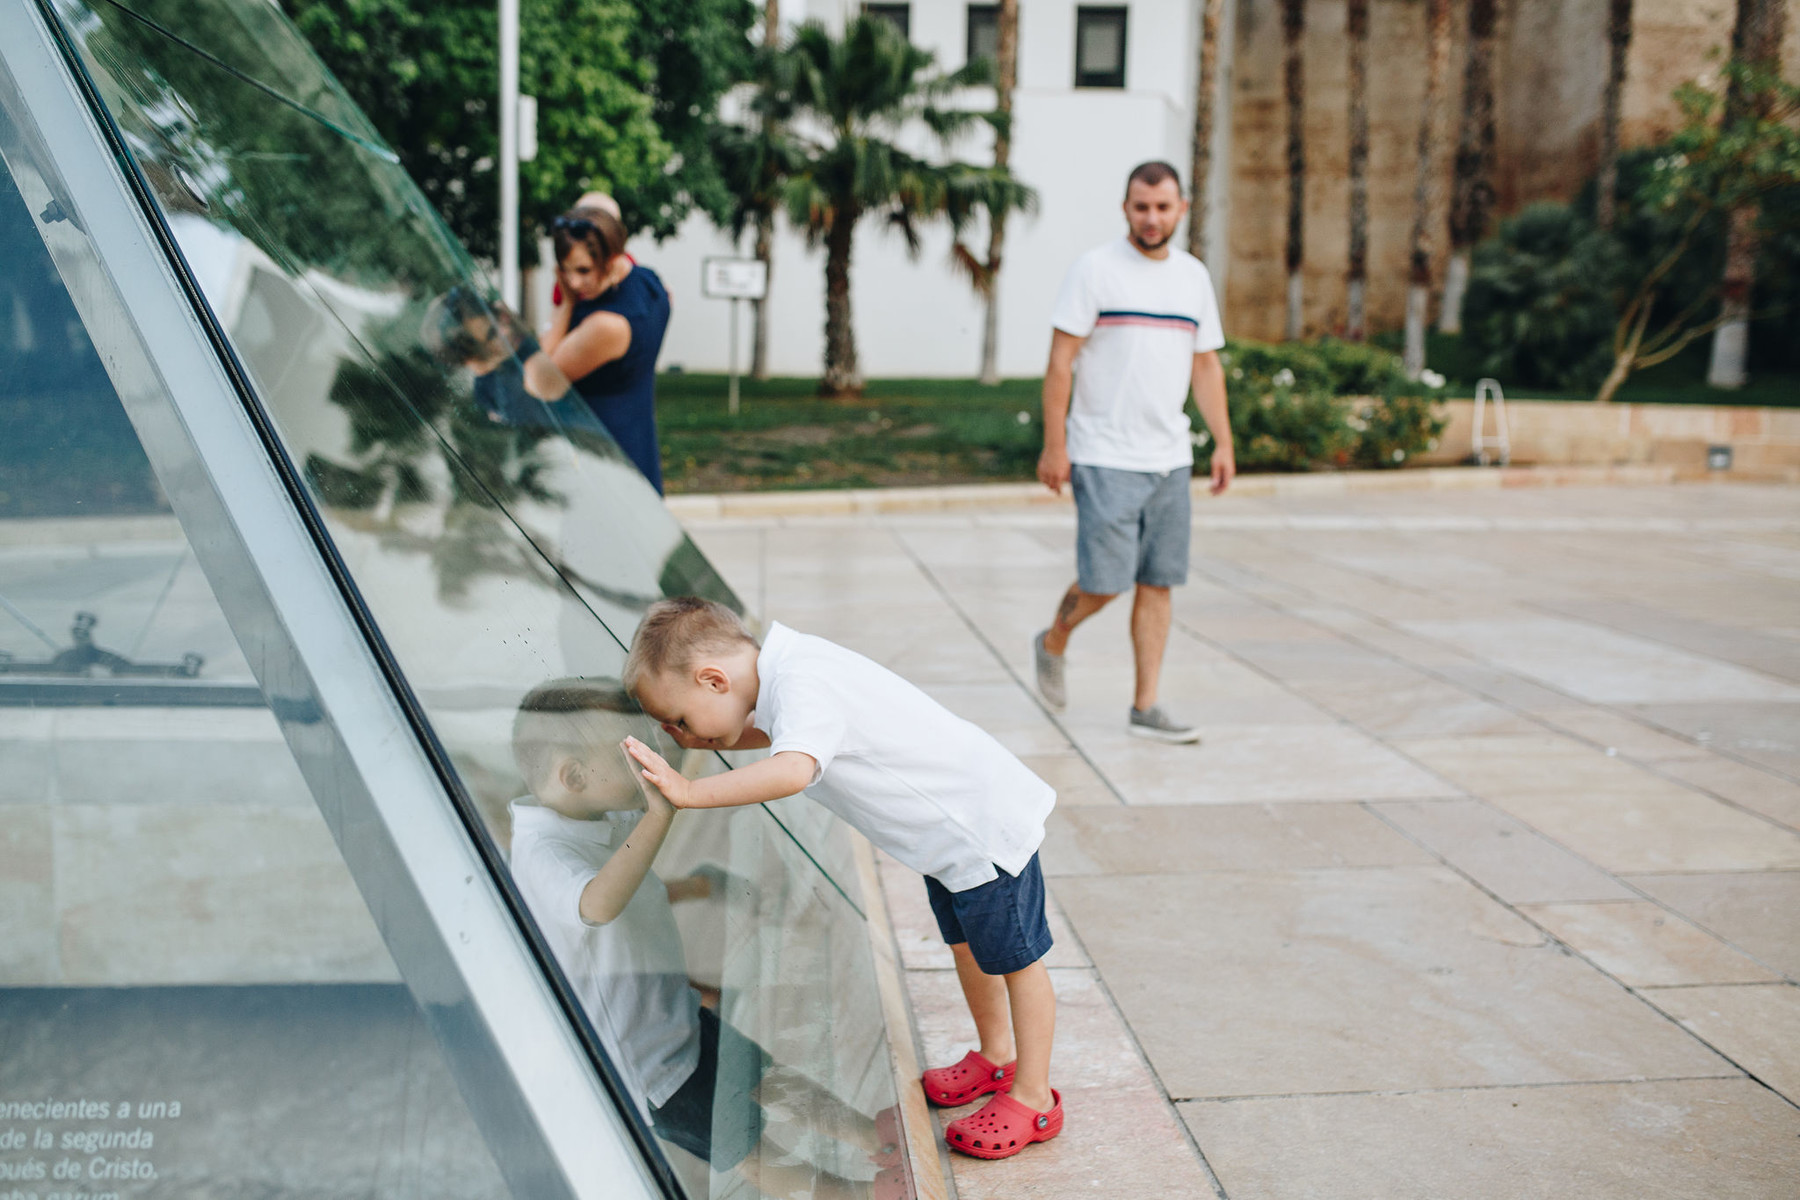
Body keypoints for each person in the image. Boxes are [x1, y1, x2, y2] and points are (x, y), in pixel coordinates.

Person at [620, 598, 1064, 1162]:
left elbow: (793, 768)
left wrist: (689, 794)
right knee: (969, 949)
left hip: (978, 832)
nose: (683, 733)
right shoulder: (785, 675)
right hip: (947, 845)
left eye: (681, 719)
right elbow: (778, 739)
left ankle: (1034, 1097)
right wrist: (706, 736)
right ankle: (997, 1056)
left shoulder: (804, 682)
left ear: (713, 679)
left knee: (1017, 963)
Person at [508, 678, 899, 1199]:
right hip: (653, 1071)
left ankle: (871, 1135)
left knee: (767, 1076)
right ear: (574, 775)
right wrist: (660, 813)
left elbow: (633, 884)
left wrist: (695, 884)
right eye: (632, 752)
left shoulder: (589, 808)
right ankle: (857, 1195)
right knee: (751, 1152)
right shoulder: (543, 855)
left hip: (676, 1018)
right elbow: (598, 905)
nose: (653, 757)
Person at [1032, 160, 1235, 745]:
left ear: (1182, 209)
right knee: (1106, 580)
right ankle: (1053, 640)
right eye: (1141, 207)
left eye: (1163, 207)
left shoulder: (1193, 277)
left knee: (1158, 581)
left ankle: (1145, 706)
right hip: (1103, 452)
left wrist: (1222, 441)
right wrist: (1055, 443)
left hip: (1169, 457)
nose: (1152, 218)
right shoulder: (1094, 271)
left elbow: (1205, 364)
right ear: (1126, 208)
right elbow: (1060, 363)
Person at [542, 205, 671, 492]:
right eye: (564, 270)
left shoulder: (605, 325)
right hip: (637, 452)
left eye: (584, 270)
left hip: (602, 468)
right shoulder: (650, 282)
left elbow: (539, 380)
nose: (573, 282)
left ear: (612, 259)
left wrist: (565, 306)